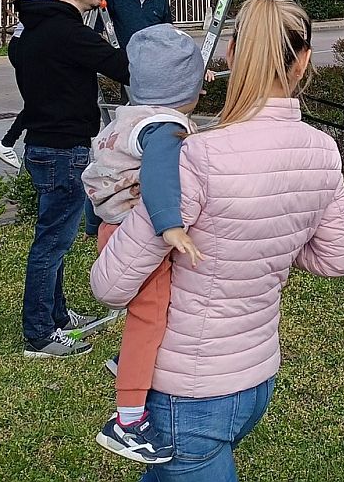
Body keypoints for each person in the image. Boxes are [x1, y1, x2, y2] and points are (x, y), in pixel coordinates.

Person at [91, 0, 344, 479]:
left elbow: (110, 285)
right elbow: (339, 256)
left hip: (187, 393)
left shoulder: (195, 155)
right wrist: (265, 237)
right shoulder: (323, 149)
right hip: (256, 377)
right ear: (303, 62)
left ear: (232, 55)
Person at [82, 23, 206, 465]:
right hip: (138, 233)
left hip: (110, 229)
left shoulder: (127, 119)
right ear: (186, 88)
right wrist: (171, 224)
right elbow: (158, 173)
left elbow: (96, 177)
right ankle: (128, 419)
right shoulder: (164, 128)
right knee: (149, 316)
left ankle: (126, 359)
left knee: (151, 310)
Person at [11, 0, 131, 358]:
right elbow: (124, 67)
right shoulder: (68, 33)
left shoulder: (36, 29)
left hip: (45, 145)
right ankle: (40, 334)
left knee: (54, 238)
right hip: (63, 150)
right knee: (52, 243)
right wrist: (180, 71)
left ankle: (58, 316)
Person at [0, 0, 55, 170]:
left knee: (41, 100)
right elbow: (31, 12)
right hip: (26, 43)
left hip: (27, 43)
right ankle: (7, 142)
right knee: (40, 100)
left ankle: (21, 152)